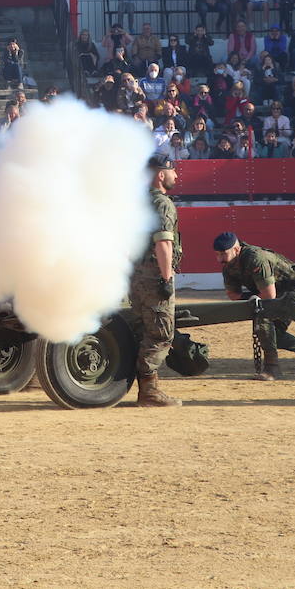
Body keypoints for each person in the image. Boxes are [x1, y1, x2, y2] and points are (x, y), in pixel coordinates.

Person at [213, 232, 295, 380]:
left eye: (223, 254)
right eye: (217, 254)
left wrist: (255, 298)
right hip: (274, 292)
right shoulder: (229, 266)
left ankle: (272, 368)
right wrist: (252, 298)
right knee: (272, 334)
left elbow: (269, 296)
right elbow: (233, 295)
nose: (219, 259)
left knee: (266, 325)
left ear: (236, 250)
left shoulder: (256, 258)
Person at [130, 155, 184, 408]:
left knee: (144, 330)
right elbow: (163, 242)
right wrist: (166, 277)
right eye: (173, 171)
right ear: (161, 175)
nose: (177, 176)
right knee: (161, 333)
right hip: (153, 276)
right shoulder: (162, 204)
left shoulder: (137, 202)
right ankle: (149, 392)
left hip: (136, 276)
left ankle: (146, 388)